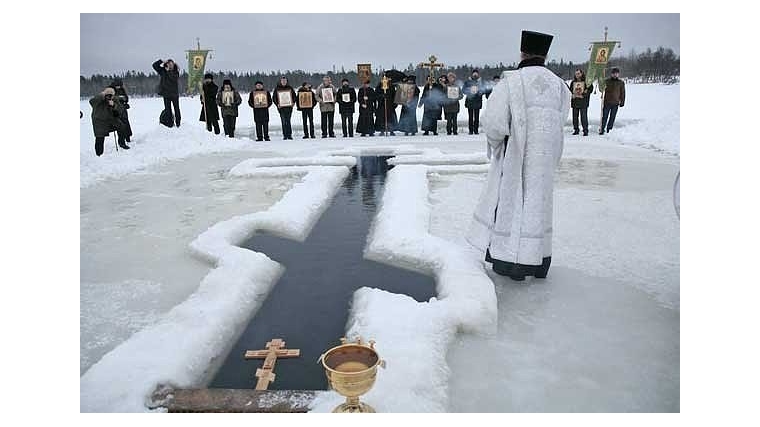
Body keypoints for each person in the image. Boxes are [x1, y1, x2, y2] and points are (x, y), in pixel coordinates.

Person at [467, 30, 570, 281]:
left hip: (516, 157)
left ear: (523, 52)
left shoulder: (512, 81)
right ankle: (539, 261)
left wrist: (496, 143)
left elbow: (494, 123)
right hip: (544, 158)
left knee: (513, 206)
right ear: (544, 54)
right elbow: (561, 119)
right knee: (539, 206)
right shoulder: (559, 84)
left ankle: (512, 264)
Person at [89, 87, 129, 156]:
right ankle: (99, 154)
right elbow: (91, 101)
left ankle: (122, 143)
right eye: (107, 95)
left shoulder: (114, 99)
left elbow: (120, 109)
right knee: (100, 137)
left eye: (111, 95)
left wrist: (114, 105)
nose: (109, 97)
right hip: (99, 121)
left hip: (110, 120)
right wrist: (102, 95)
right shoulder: (99, 99)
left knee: (121, 126)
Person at [152, 58, 181, 127]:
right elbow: (154, 66)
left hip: (174, 94)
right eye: (169, 64)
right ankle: (170, 124)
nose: (170, 65)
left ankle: (178, 123)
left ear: (174, 65)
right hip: (166, 94)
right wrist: (161, 61)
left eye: (171, 64)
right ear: (166, 64)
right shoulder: (163, 71)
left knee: (176, 109)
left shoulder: (176, 71)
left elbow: (173, 79)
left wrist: (168, 71)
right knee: (168, 110)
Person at [600, 67, 625, 135]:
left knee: (612, 117)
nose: (615, 75)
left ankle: (609, 129)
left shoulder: (621, 82)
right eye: (614, 73)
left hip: (615, 103)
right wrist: (601, 80)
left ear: (618, 74)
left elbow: (623, 93)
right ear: (611, 74)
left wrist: (622, 102)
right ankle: (602, 128)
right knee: (604, 116)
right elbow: (601, 88)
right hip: (607, 102)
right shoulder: (607, 81)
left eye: (616, 73)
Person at [569, 69, 593, 136]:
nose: (577, 75)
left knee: (584, 117)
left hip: (583, 102)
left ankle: (585, 131)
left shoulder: (586, 82)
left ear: (582, 73)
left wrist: (584, 94)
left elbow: (590, 89)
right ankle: (576, 130)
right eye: (576, 74)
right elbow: (570, 91)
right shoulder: (573, 82)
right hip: (575, 102)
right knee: (575, 118)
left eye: (578, 73)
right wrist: (572, 95)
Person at [109, 78, 132, 145]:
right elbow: (110, 99)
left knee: (126, 122)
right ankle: (122, 140)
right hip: (115, 109)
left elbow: (126, 98)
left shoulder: (122, 89)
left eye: (120, 86)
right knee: (119, 124)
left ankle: (128, 137)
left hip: (123, 109)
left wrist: (124, 101)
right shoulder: (110, 90)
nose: (119, 87)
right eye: (117, 86)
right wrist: (119, 98)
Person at [463, 69, 484, 134]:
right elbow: (463, 90)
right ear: (472, 74)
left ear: (478, 74)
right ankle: (471, 130)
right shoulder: (467, 82)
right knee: (470, 117)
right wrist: (469, 91)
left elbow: (484, 90)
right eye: (474, 73)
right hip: (470, 102)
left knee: (477, 118)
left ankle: (476, 130)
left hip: (478, 101)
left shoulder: (481, 82)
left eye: (476, 73)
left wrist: (480, 92)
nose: (475, 74)